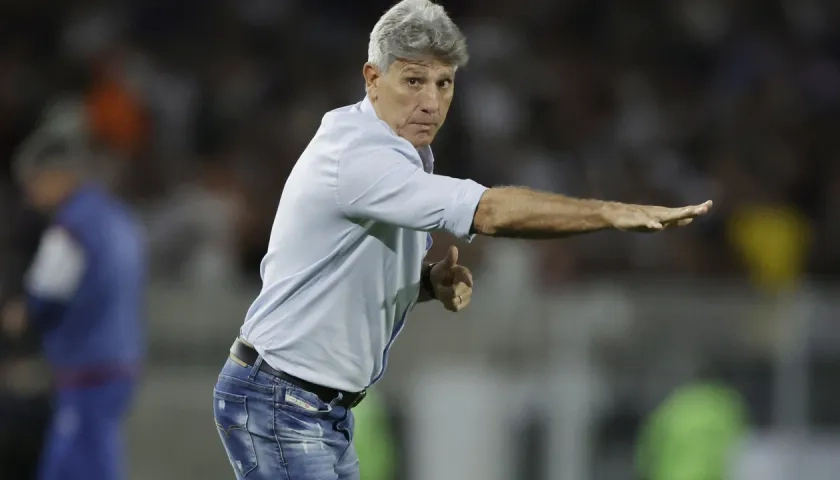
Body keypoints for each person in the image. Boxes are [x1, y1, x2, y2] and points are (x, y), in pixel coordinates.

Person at [212, 1, 714, 478]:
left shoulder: (391, 146)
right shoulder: (360, 155)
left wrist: (425, 283)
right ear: (372, 79)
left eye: (443, 83)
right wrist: (608, 212)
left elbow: (337, 267)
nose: (431, 102)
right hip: (283, 400)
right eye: (413, 80)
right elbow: (490, 212)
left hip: (310, 404)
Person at [1, 101, 146, 480]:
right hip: (121, 360)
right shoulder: (117, 217)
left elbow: (45, 297)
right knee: (83, 458)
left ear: (57, 176)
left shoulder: (70, 228)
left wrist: (22, 316)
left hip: (87, 368)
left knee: (78, 465)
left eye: (34, 182)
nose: (31, 195)